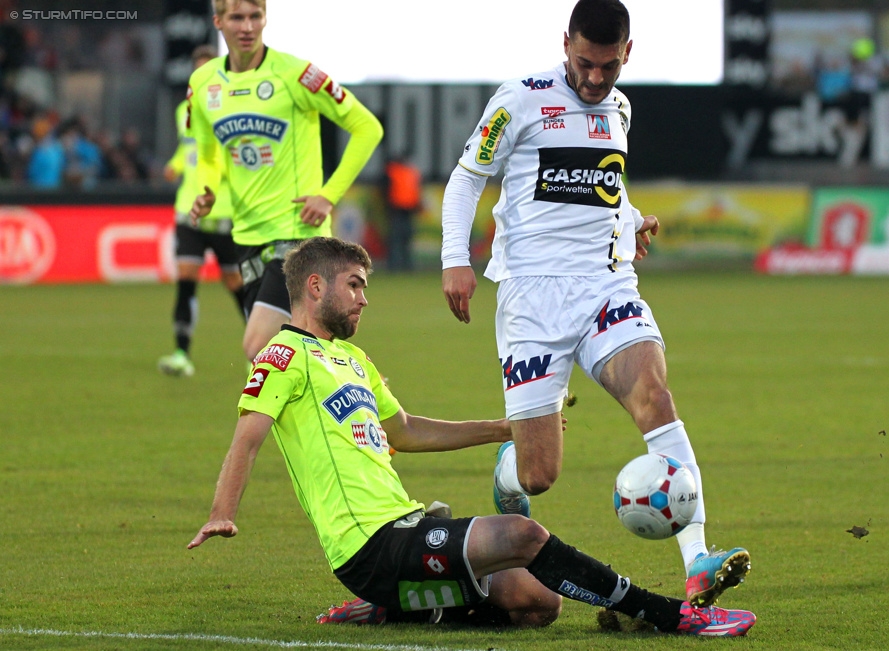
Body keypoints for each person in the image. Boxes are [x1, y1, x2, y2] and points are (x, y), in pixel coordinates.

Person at [187, 236, 755, 636]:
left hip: (408, 526)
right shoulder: (283, 354)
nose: (364, 297)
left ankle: (399, 610)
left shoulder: (352, 359)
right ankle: (672, 615)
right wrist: (221, 510)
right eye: (354, 285)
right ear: (315, 287)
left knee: (538, 603)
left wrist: (505, 428)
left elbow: (404, 431)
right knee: (522, 534)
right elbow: (248, 436)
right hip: (368, 545)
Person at [440, 0, 751, 609]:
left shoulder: (620, 107)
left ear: (627, 53)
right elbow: (466, 177)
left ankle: (697, 562)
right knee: (539, 477)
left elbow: (608, 181)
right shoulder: (520, 99)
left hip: (605, 285)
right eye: (584, 63)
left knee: (655, 398)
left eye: (608, 66)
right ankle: (510, 466)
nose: (595, 78)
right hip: (532, 297)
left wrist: (630, 220)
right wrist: (456, 259)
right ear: (565, 45)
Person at [188, 0, 383, 361]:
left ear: (265, 19)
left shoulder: (296, 74)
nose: (247, 26)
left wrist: (328, 194)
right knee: (294, 355)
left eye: (255, 16)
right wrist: (208, 189)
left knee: (259, 348)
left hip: (296, 234)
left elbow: (367, 127)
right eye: (237, 17)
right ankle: (364, 395)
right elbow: (209, 153)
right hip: (246, 235)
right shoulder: (203, 83)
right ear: (218, 21)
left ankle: (356, 390)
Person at [158, 45, 246, 378]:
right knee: (186, 280)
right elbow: (189, 150)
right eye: (196, 72)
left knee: (235, 282)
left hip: (225, 212)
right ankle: (181, 352)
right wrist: (174, 165)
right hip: (188, 211)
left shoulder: (236, 109)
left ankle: (262, 352)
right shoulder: (184, 110)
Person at [383, 154, 422, 271]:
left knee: (398, 239)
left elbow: (384, 190)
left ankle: (396, 265)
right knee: (403, 239)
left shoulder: (393, 171)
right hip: (404, 210)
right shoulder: (412, 172)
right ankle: (403, 265)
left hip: (399, 210)